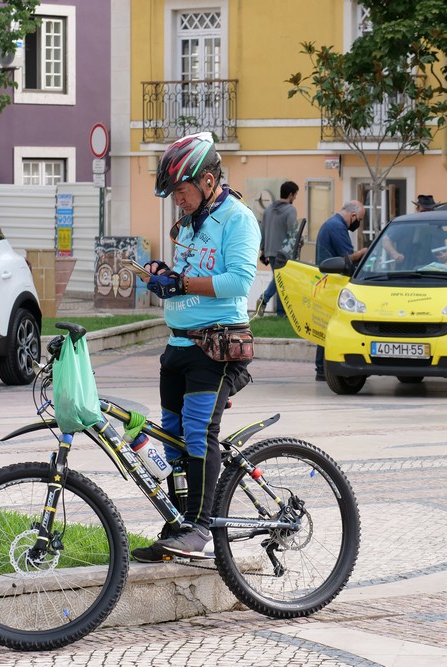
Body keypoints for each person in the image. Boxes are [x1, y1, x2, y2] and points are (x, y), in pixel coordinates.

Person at [133, 132, 260, 561]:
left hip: (216, 347)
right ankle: (178, 525)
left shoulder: (238, 219)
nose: (176, 201)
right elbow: (188, 279)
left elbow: (239, 282)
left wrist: (182, 281)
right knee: (171, 442)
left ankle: (201, 528)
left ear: (207, 181)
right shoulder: (189, 223)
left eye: (180, 191)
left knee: (198, 434)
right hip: (178, 347)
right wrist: (163, 277)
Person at [313, 200, 367, 381]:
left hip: (327, 279)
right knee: (331, 323)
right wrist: (363, 253)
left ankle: (321, 368)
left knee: (327, 323)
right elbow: (347, 258)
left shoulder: (332, 223)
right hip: (333, 281)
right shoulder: (337, 227)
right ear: (352, 216)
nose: (358, 223)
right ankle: (322, 368)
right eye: (359, 219)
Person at [255, 181, 298, 317]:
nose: (295, 198)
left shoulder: (268, 210)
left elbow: (262, 231)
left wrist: (263, 250)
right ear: (290, 195)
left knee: (279, 279)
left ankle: (280, 312)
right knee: (281, 279)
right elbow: (292, 231)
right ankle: (266, 300)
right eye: (295, 195)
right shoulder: (290, 210)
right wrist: (298, 243)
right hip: (284, 252)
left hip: (270, 251)